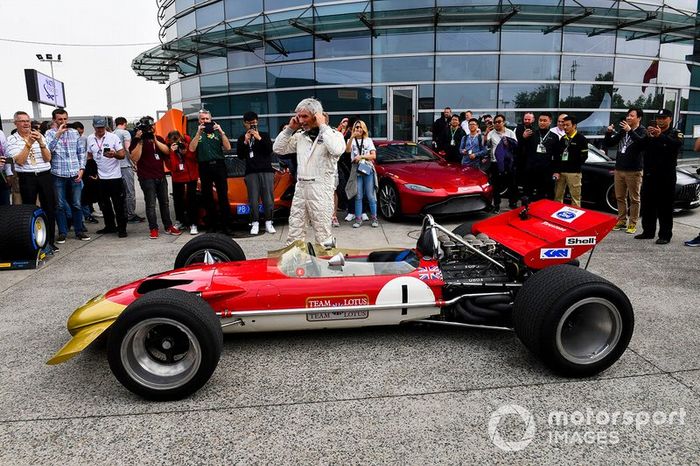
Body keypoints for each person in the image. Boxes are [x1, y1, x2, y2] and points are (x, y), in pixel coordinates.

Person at [273, 97, 346, 247]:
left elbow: (337, 149)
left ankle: (325, 267)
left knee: (323, 235)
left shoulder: (333, 135)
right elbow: (278, 149)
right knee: (294, 233)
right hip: (301, 189)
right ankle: (295, 266)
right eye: (298, 116)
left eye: (304, 116)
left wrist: (323, 126)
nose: (301, 120)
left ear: (316, 116)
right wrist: (289, 129)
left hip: (321, 189)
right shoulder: (300, 136)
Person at [6, 111, 57, 252]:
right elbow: (20, 161)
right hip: (27, 177)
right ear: (15, 123)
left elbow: (48, 158)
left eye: (27, 120)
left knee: (49, 208)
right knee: (30, 209)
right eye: (22, 121)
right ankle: (34, 242)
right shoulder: (12, 140)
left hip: (44, 175)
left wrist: (40, 142)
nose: (26, 123)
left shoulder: (39, 135)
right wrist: (29, 144)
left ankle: (49, 242)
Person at [634, 109, 683, 245]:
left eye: (664, 118)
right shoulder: (651, 133)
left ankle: (665, 235)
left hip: (666, 176)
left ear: (670, 119)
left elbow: (676, 145)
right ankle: (648, 231)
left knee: (665, 207)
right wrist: (645, 135)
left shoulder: (675, 133)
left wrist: (660, 135)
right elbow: (640, 145)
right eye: (659, 118)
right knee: (648, 205)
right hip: (650, 175)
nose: (661, 120)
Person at [130, 116, 181, 239]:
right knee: (151, 204)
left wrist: (155, 140)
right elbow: (135, 158)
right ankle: (153, 228)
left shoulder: (157, 138)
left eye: (152, 126)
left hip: (160, 176)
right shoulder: (136, 141)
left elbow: (167, 151)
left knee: (165, 203)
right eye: (148, 127)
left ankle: (168, 226)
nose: (151, 128)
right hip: (146, 177)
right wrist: (140, 141)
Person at [45, 109, 90, 243]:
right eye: (60, 119)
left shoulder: (74, 132)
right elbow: (48, 151)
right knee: (59, 205)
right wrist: (57, 134)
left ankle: (79, 231)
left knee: (76, 204)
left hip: (75, 173)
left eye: (65, 119)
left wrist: (82, 169)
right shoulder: (49, 133)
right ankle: (63, 232)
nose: (63, 122)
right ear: (54, 120)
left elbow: (81, 152)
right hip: (58, 173)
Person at [603, 107, 647, 234]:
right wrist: (608, 132)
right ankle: (621, 220)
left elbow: (641, 145)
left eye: (632, 115)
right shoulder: (623, 131)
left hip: (634, 170)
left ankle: (632, 223)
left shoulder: (642, 131)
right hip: (619, 168)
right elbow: (609, 143)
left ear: (639, 118)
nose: (628, 118)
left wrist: (630, 131)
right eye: (628, 115)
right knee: (620, 197)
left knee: (634, 198)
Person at [188, 109, 232, 234]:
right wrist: (198, 133)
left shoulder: (217, 132)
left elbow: (228, 148)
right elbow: (191, 149)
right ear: (199, 120)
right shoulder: (196, 133)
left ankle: (226, 226)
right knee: (208, 197)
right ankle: (212, 225)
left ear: (211, 119)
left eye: (207, 119)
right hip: (204, 166)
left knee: (223, 196)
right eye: (203, 119)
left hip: (219, 165)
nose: (205, 121)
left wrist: (221, 132)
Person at [87, 117, 128, 238]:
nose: (100, 130)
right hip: (100, 178)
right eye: (98, 127)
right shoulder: (90, 138)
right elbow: (90, 155)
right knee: (104, 205)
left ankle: (122, 228)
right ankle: (109, 226)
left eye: (102, 127)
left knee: (118, 204)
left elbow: (122, 154)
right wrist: (91, 172)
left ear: (105, 126)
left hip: (114, 177)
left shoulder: (113, 137)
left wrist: (114, 154)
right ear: (94, 127)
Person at [236, 111, 275, 235]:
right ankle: (255, 223)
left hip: (266, 170)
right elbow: (240, 156)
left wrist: (258, 138)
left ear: (257, 122)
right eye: (249, 123)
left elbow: (269, 150)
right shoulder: (242, 138)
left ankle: (269, 222)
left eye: (254, 122)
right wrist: (245, 142)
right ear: (244, 124)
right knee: (253, 199)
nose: (252, 125)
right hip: (251, 172)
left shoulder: (264, 135)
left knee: (268, 199)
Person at [344, 119, 378, 228]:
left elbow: (373, 156)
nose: (358, 129)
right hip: (356, 169)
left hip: (366, 167)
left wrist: (361, 156)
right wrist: (352, 137)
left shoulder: (368, 140)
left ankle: (374, 218)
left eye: (360, 127)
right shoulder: (351, 140)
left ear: (363, 128)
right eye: (356, 127)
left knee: (370, 195)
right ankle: (358, 220)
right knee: (358, 195)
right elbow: (347, 151)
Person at [166, 130, 200, 235]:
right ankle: (180, 221)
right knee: (178, 201)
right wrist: (172, 153)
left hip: (191, 177)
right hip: (177, 178)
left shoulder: (188, 141)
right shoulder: (169, 148)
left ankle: (193, 223)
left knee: (192, 201)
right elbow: (173, 167)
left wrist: (185, 150)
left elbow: (193, 157)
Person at [553, 115, 588, 207]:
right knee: (558, 196)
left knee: (575, 198)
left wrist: (573, 164)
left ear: (574, 125)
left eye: (567, 125)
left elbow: (584, 157)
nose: (565, 127)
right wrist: (557, 171)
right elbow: (557, 157)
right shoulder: (562, 139)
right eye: (563, 125)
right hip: (561, 172)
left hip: (574, 172)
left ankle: (575, 218)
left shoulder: (581, 139)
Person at [522, 112, 557, 201]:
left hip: (545, 172)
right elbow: (522, 150)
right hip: (531, 170)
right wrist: (524, 138)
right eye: (540, 120)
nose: (542, 122)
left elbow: (556, 156)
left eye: (545, 120)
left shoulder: (554, 137)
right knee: (527, 195)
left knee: (541, 196)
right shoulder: (531, 134)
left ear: (550, 121)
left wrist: (556, 171)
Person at [113, 117, 143, 223]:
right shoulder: (125, 133)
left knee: (120, 193)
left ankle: (122, 213)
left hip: (115, 167)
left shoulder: (112, 134)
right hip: (125, 165)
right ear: (124, 123)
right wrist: (134, 162)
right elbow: (128, 149)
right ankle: (130, 214)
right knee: (130, 192)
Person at [486, 114, 517, 213]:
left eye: (499, 122)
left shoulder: (510, 132)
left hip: (508, 163)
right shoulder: (491, 133)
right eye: (495, 122)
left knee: (511, 183)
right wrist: (486, 134)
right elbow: (486, 145)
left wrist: (508, 143)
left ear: (504, 122)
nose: (497, 124)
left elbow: (516, 146)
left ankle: (513, 203)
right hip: (496, 162)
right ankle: (497, 205)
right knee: (496, 185)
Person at [0, 129, 10, 205]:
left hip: (2, 176)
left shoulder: (0, 133)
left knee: (5, 205)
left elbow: (6, 153)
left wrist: (8, 172)